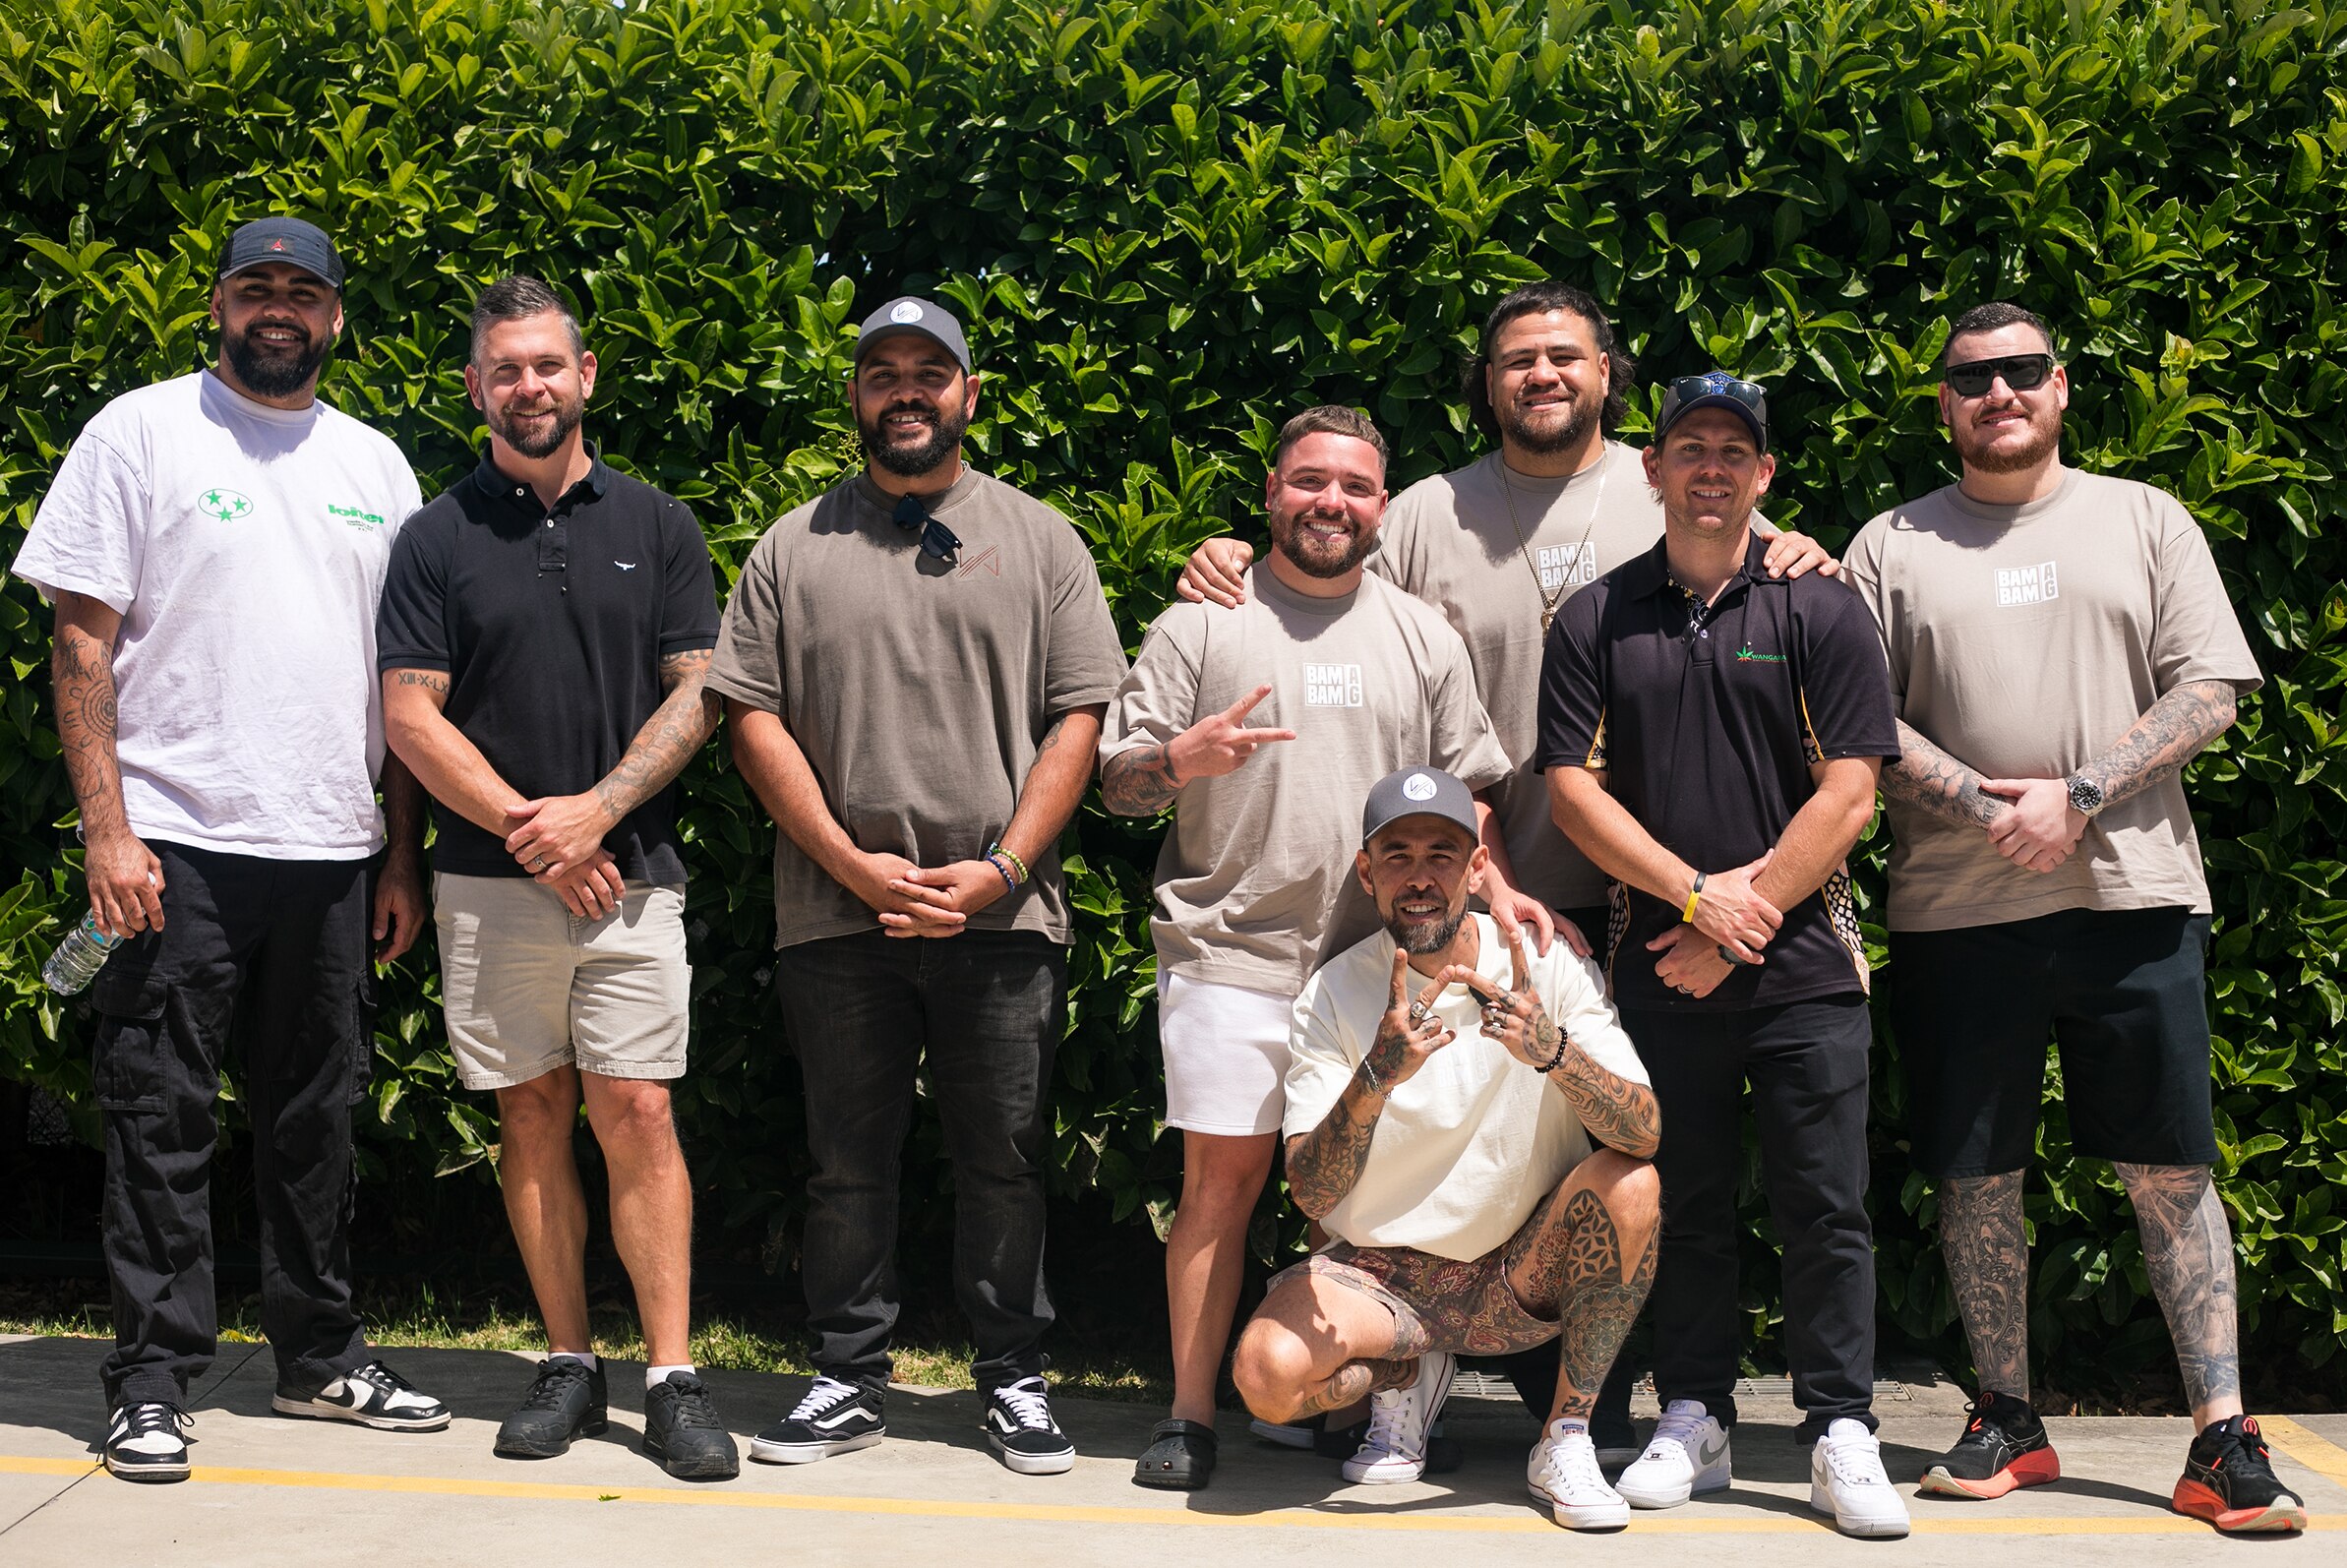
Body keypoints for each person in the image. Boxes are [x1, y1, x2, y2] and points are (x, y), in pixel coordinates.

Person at [1174, 282, 1835, 1455]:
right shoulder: (1427, 509)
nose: (1541, 375)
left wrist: (1795, 548)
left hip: (1628, 900)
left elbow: (1750, 552)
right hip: (1455, 891)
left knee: (1611, 1149)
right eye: (1516, 359)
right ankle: (1403, 1358)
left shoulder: (1664, 479)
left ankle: (1614, 1403)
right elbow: (1331, 576)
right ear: (1487, 383)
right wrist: (1230, 558)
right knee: (1433, 1124)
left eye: (1564, 356)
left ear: (1604, 374)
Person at [1841, 303, 2304, 1535]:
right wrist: (1991, 805)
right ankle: (2008, 1414)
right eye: (1971, 378)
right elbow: (1854, 719)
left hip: (2132, 895)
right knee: (1974, 1174)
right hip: (1955, 907)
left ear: (2061, 389)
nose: (1999, 392)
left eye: (2022, 372)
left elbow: (2213, 685)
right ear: (1942, 402)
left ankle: (2221, 1436)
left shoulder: (2144, 518)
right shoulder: (1888, 544)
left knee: (2170, 1167)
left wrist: (2080, 795)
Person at [14, 216, 450, 1482]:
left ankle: (317, 1358)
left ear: (333, 317)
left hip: (332, 846)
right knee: (159, 1115)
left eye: (301, 293)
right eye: (255, 288)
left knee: (317, 1116)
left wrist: (399, 855)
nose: (278, 310)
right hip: (176, 846)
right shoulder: (139, 431)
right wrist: (109, 831)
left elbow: (401, 688)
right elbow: (81, 643)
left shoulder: (379, 465)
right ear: (217, 306)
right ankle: (151, 1379)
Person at [708, 296, 1127, 1477]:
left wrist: (998, 870)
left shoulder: (1044, 539)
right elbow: (749, 715)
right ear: (854, 396)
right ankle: (847, 1375)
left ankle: (1013, 1380)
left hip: (1004, 917)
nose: (906, 390)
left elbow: (1079, 718)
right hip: (837, 916)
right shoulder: (794, 546)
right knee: (846, 1159)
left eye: (929, 372)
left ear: (968, 394)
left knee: (1004, 1156)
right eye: (882, 371)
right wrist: (849, 863)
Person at [1099, 407, 1511, 1490]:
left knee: (1385, 1197)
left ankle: (1368, 1408)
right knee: (1219, 1187)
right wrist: (1179, 759)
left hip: (1379, 964)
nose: (1332, 502)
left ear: (1383, 504)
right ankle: (1189, 1417)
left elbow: (1467, 795)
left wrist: (1497, 897)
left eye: (1357, 487)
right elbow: (1119, 781)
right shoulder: (1202, 623)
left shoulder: (1423, 635)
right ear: (1271, 490)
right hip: (1229, 952)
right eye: (1310, 481)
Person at [377, 276, 736, 1480]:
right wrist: (539, 832)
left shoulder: (661, 524)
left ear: (585, 378)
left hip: (633, 874)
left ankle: (674, 1378)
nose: (529, 386)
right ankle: (570, 1363)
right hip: (488, 884)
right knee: (528, 1112)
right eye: (504, 370)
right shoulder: (434, 538)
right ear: (475, 390)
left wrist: (599, 814)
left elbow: (701, 691)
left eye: (548, 365)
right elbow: (409, 717)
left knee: (636, 1110)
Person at [1539, 372, 1909, 1538]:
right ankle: (1690, 1412)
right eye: (1687, 446)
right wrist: (1697, 904)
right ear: (1650, 470)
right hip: (1659, 962)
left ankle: (1839, 1426)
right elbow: (1568, 793)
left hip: (1804, 969)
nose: (1709, 467)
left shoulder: (1820, 608)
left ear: (1764, 475)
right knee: (1683, 1205)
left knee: (1824, 1204)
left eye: (1732, 451)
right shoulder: (1595, 615)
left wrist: (1739, 922)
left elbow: (1851, 791)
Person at [1229, 768, 1660, 1532]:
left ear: (1478, 867)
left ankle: (1564, 1438)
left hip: (1521, 1271)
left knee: (1632, 1185)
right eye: (1397, 856)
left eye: (1443, 854)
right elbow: (1312, 1195)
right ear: (1366, 871)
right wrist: (1377, 1076)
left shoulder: (1545, 961)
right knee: (1266, 1377)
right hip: (1384, 1278)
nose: (1420, 878)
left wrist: (1552, 1052)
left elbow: (1644, 1132)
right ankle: (1404, 1373)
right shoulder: (1332, 993)